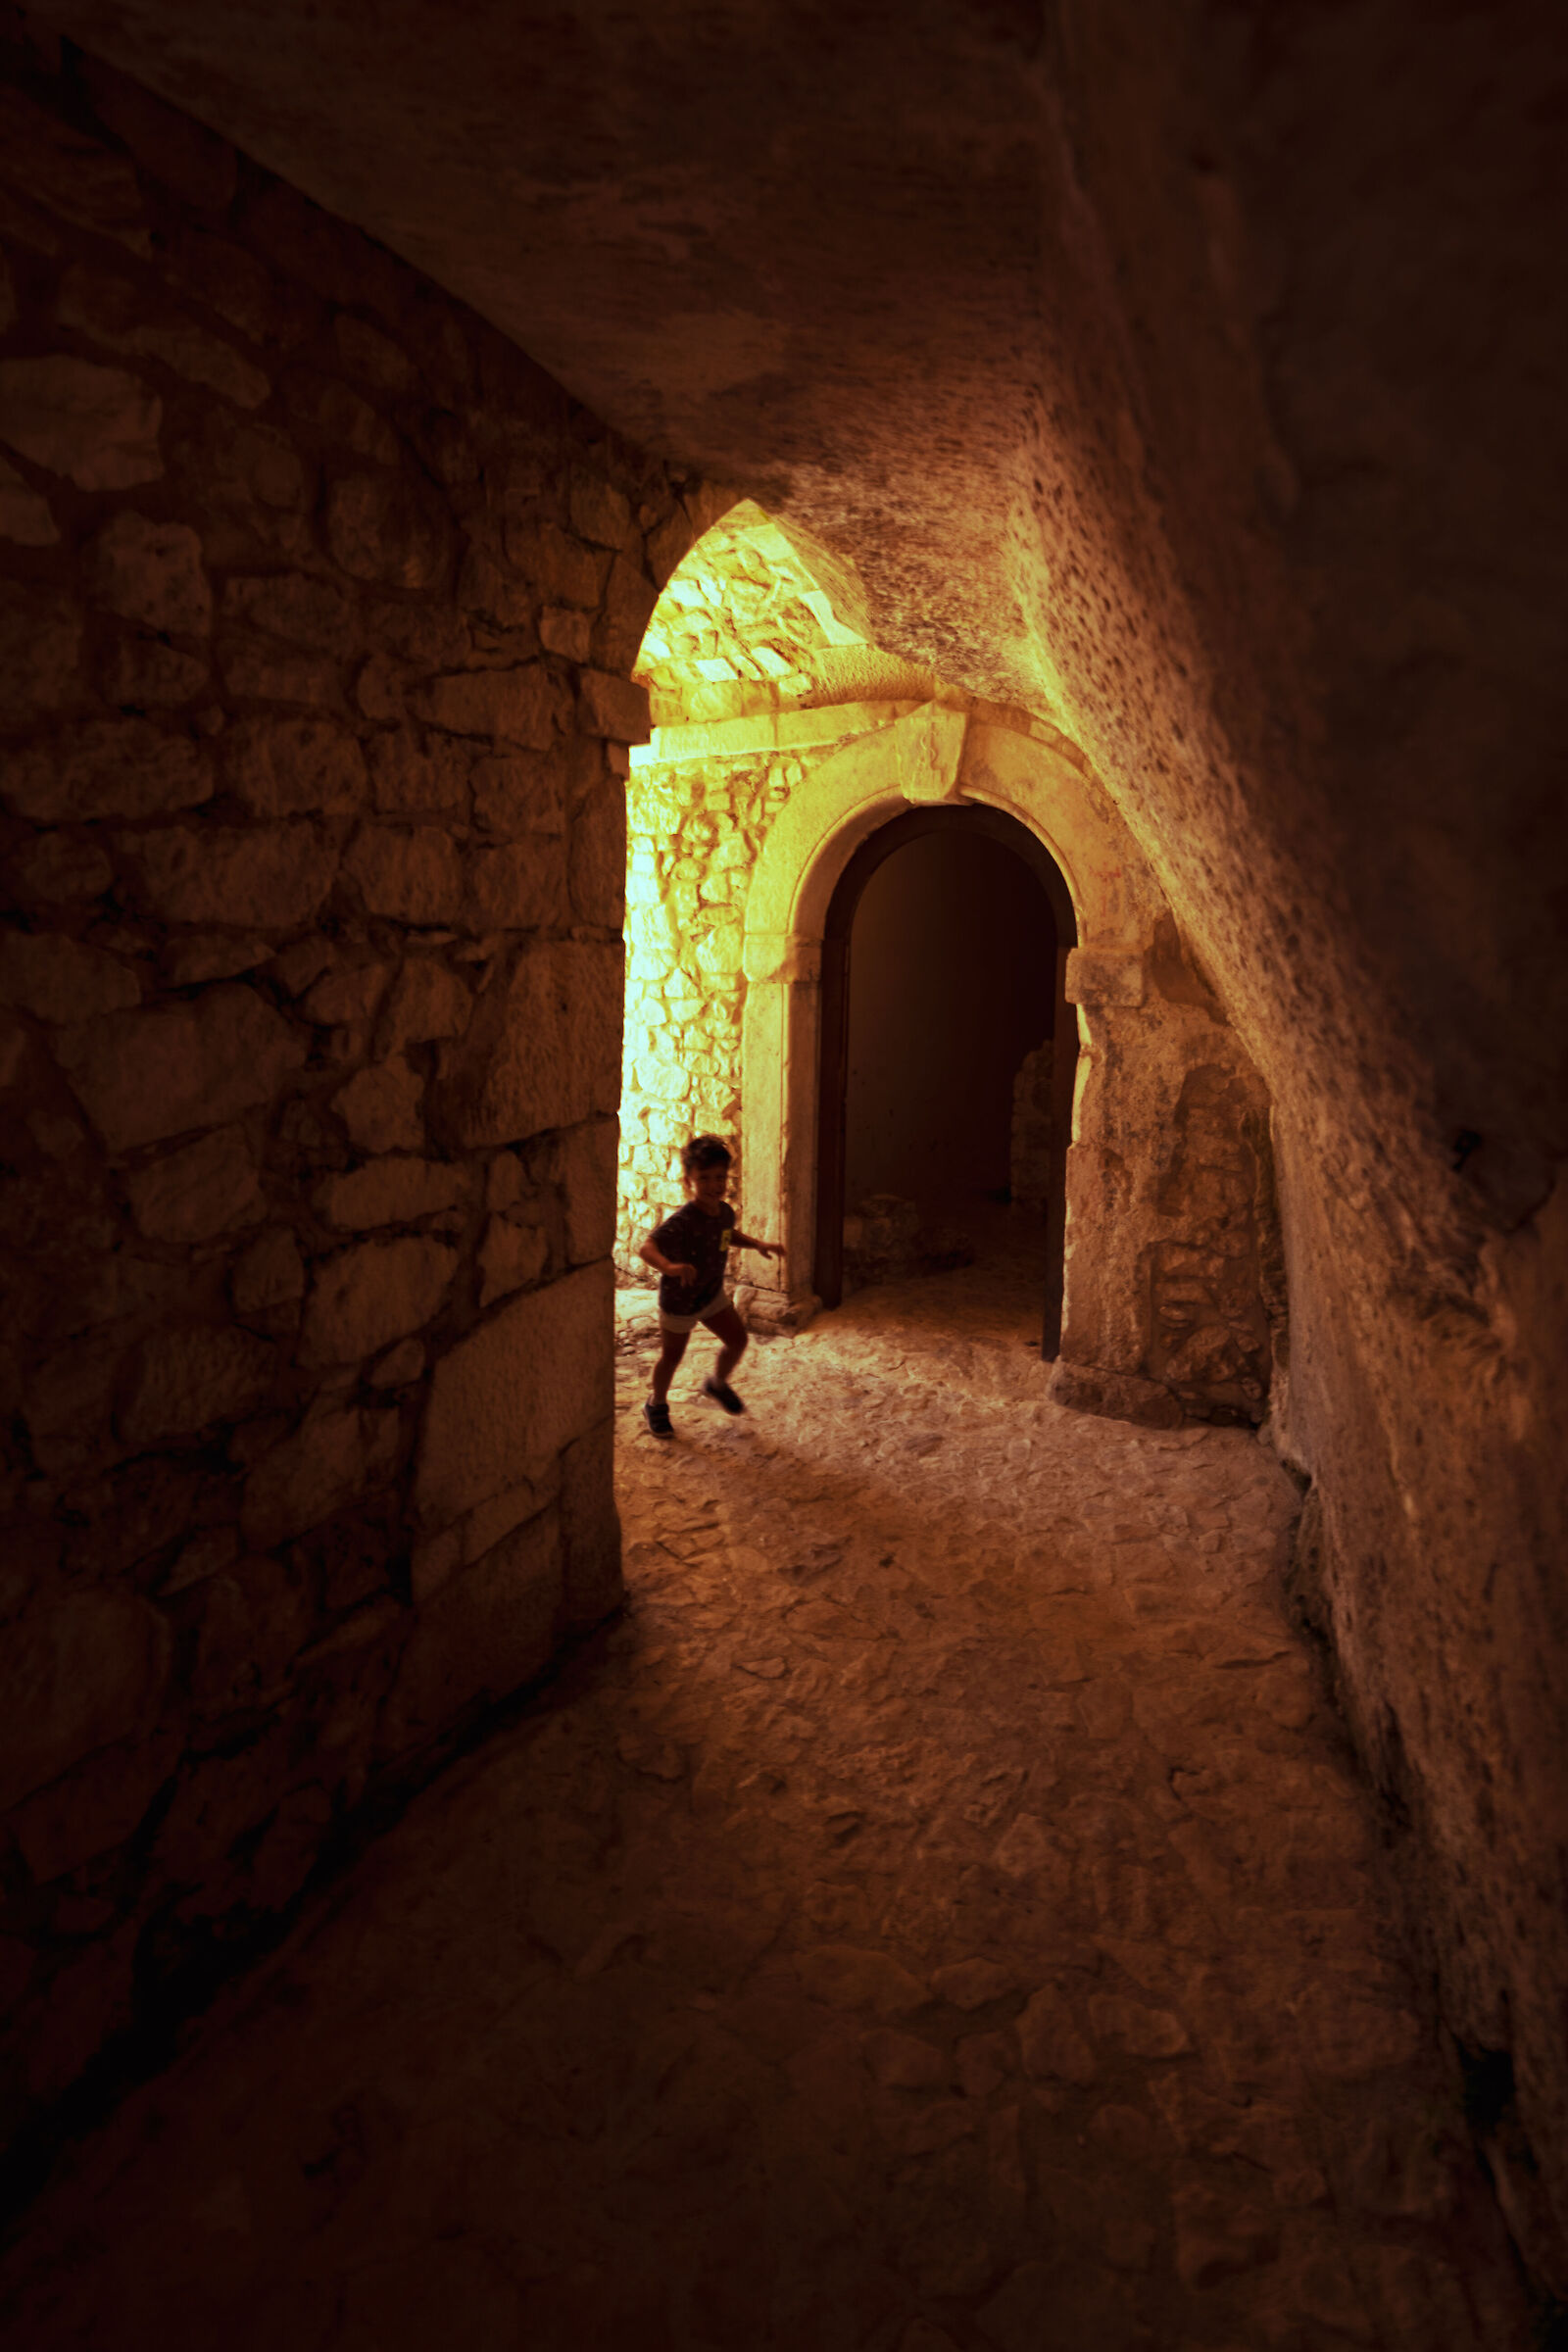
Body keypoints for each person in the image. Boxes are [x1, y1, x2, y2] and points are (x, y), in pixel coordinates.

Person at [639, 1134, 779, 1439]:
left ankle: (717, 1383)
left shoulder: (725, 1212)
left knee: (737, 1340)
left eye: (720, 1177)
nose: (715, 1184)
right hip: (679, 1301)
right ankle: (656, 1403)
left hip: (710, 1294)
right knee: (671, 1357)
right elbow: (647, 1248)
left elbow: (728, 1234)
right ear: (689, 1182)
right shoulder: (682, 1221)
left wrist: (757, 1244)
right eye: (704, 1178)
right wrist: (670, 1267)